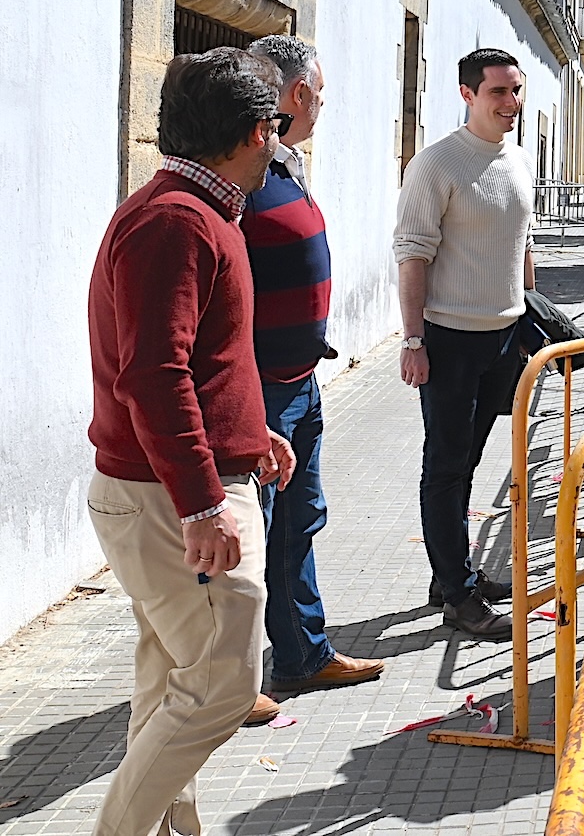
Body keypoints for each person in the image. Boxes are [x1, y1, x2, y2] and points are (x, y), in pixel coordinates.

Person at [86, 48, 296, 836]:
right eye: (273, 129)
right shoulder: (176, 220)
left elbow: (196, 360)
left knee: (171, 676)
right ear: (254, 132)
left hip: (172, 488)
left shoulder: (192, 212)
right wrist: (205, 501)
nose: (277, 144)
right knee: (221, 686)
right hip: (167, 497)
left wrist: (248, 434)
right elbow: (153, 373)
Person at [242, 36, 384, 723]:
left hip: (299, 385)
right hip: (260, 395)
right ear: (297, 94)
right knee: (247, 541)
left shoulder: (284, 167)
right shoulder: (241, 179)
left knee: (299, 524)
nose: (323, 102)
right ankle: (229, 686)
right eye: (318, 92)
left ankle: (304, 653)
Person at [394, 48, 536, 641]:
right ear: (467, 95)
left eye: (516, 91)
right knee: (446, 467)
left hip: (503, 338)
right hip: (449, 341)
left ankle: (449, 572)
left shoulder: (518, 161)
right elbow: (412, 254)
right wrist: (413, 339)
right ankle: (456, 594)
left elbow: (522, 243)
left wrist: (531, 308)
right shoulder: (437, 165)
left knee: (469, 462)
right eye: (498, 92)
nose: (511, 104)